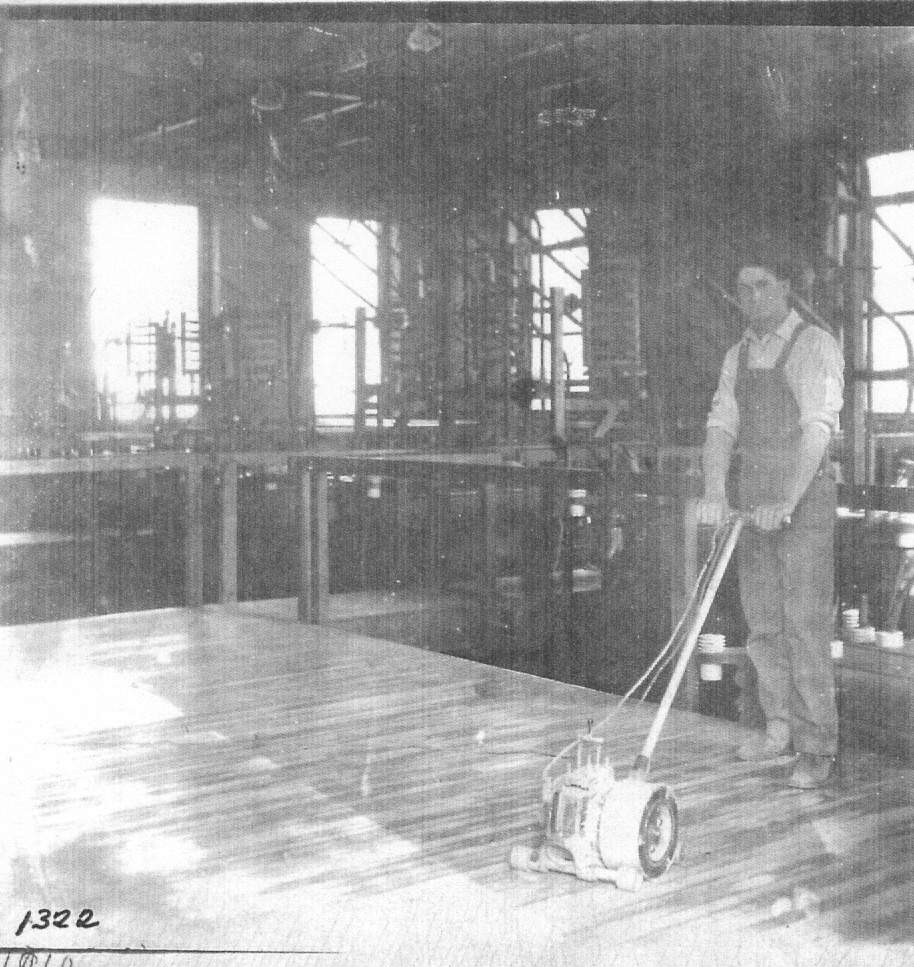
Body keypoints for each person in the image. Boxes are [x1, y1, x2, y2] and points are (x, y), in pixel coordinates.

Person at [696, 252, 844, 789]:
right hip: (754, 505)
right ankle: (777, 725)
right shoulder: (737, 355)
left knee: (804, 624)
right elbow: (721, 428)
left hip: (801, 502)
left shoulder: (814, 346)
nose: (752, 296)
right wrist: (715, 491)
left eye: (762, 284)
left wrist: (786, 499)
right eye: (743, 286)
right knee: (762, 623)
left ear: (786, 286)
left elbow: (817, 432)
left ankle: (817, 745)